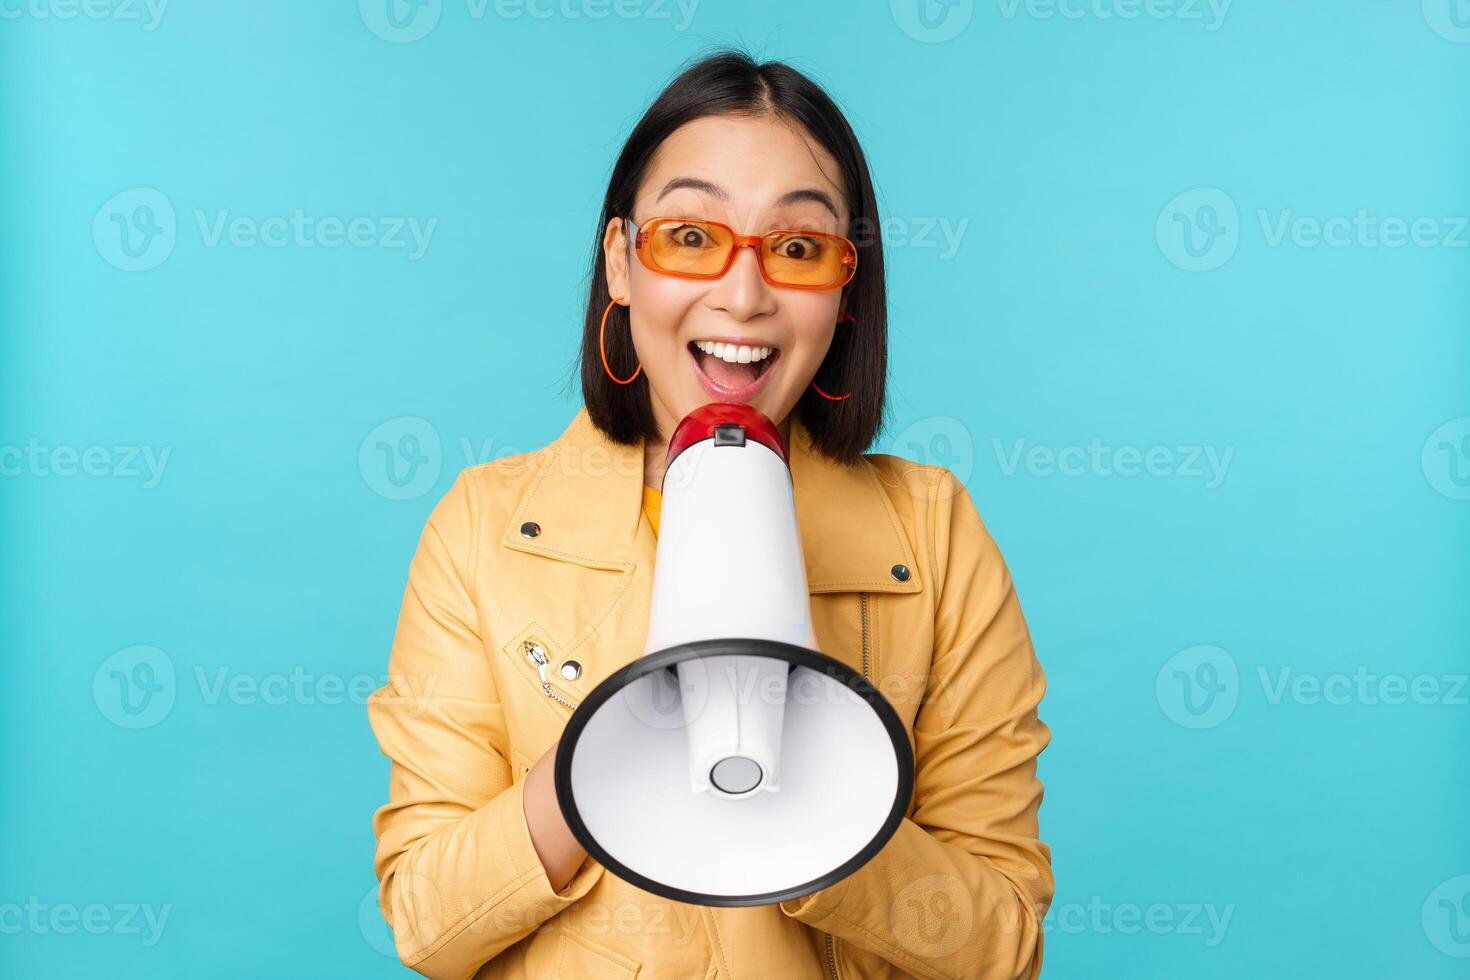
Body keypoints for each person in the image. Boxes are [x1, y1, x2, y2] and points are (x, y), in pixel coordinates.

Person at [368, 48, 1053, 980]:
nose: (743, 293)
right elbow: (426, 924)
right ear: (621, 263)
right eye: (690, 237)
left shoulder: (932, 534)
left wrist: (816, 809)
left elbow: (1002, 944)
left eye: (798, 248)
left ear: (844, 292)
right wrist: (603, 769)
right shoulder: (484, 529)